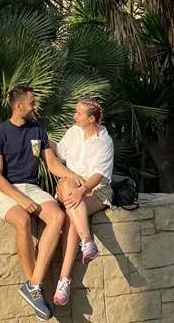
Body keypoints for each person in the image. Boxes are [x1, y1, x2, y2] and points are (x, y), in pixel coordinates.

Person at [0, 85, 85, 321]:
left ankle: (33, 285)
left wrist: (75, 177)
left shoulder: (38, 129)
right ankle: (35, 289)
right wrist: (19, 198)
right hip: (6, 191)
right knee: (22, 220)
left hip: (32, 188)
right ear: (18, 106)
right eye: (32, 103)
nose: (36, 106)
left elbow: (51, 164)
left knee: (58, 217)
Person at [51, 98, 114, 307]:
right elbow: (59, 152)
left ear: (91, 118)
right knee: (68, 188)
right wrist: (41, 138)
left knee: (71, 218)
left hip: (95, 189)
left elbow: (99, 175)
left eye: (78, 114)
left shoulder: (105, 141)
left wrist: (83, 190)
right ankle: (87, 241)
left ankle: (64, 281)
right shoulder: (73, 133)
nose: (74, 116)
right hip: (70, 185)